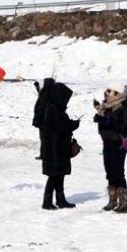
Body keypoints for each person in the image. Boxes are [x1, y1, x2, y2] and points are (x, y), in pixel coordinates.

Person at [93, 81, 127, 213]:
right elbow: (103, 121)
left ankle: (123, 202)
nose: (109, 94)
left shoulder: (125, 106)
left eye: (113, 92)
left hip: (118, 142)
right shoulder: (106, 106)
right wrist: (100, 117)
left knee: (117, 171)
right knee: (109, 170)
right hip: (107, 140)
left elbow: (125, 127)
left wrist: (110, 118)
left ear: (119, 94)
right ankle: (112, 200)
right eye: (108, 90)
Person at [39, 82, 80, 210]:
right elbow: (63, 126)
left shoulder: (52, 109)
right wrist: (74, 124)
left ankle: (60, 200)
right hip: (55, 150)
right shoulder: (53, 110)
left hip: (56, 150)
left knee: (58, 176)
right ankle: (48, 202)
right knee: (54, 176)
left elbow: (62, 125)